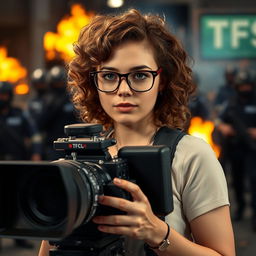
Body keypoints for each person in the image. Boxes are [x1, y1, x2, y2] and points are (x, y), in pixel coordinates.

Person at [39, 9, 235, 256]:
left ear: (161, 80)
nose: (123, 90)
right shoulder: (77, 161)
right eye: (109, 76)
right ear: (93, 81)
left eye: (140, 75)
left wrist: (158, 233)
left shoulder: (191, 156)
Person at [0, 80, 41, 249]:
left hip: (17, 164)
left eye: (5, 95)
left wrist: (36, 153)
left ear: (10, 96)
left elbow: (34, 135)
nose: (2, 98)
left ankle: (19, 236)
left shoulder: (19, 114)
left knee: (16, 201)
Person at [215, 70, 256, 229]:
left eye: (248, 86)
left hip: (252, 149)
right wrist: (223, 126)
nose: (245, 89)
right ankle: (240, 209)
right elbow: (218, 119)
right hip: (235, 148)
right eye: (242, 86)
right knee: (237, 181)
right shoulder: (231, 103)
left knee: (254, 181)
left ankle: (255, 214)